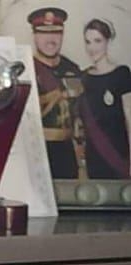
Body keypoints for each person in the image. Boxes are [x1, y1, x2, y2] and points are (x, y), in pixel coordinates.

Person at [30, 6, 84, 177]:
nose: (51, 39)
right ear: (34, 35)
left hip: (67, 151)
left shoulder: (73, 69)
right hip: (36, 149)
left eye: (56, 32)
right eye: (43, 33)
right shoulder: (27, 68)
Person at [80, 18, 131, 178]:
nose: (92, 48)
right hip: (93, 159)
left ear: (108, 41)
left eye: (98, 41)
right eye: (88, 42)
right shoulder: (83, 77)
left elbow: (130, 117)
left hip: (119, 156)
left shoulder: (121, 74)